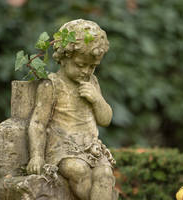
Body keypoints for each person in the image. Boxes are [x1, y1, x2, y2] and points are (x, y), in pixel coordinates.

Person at [26, 19, 117, 200]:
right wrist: (36, 156)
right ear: (63, 58)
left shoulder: (92, 83)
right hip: (63, 148)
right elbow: (37, 123)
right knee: (79, 170)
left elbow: (105, 120)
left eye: (92, 66)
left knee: (105, 174)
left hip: (91, 147)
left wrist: (97, 100)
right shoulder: (51, 85)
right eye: (81, 65)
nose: (86, 71)